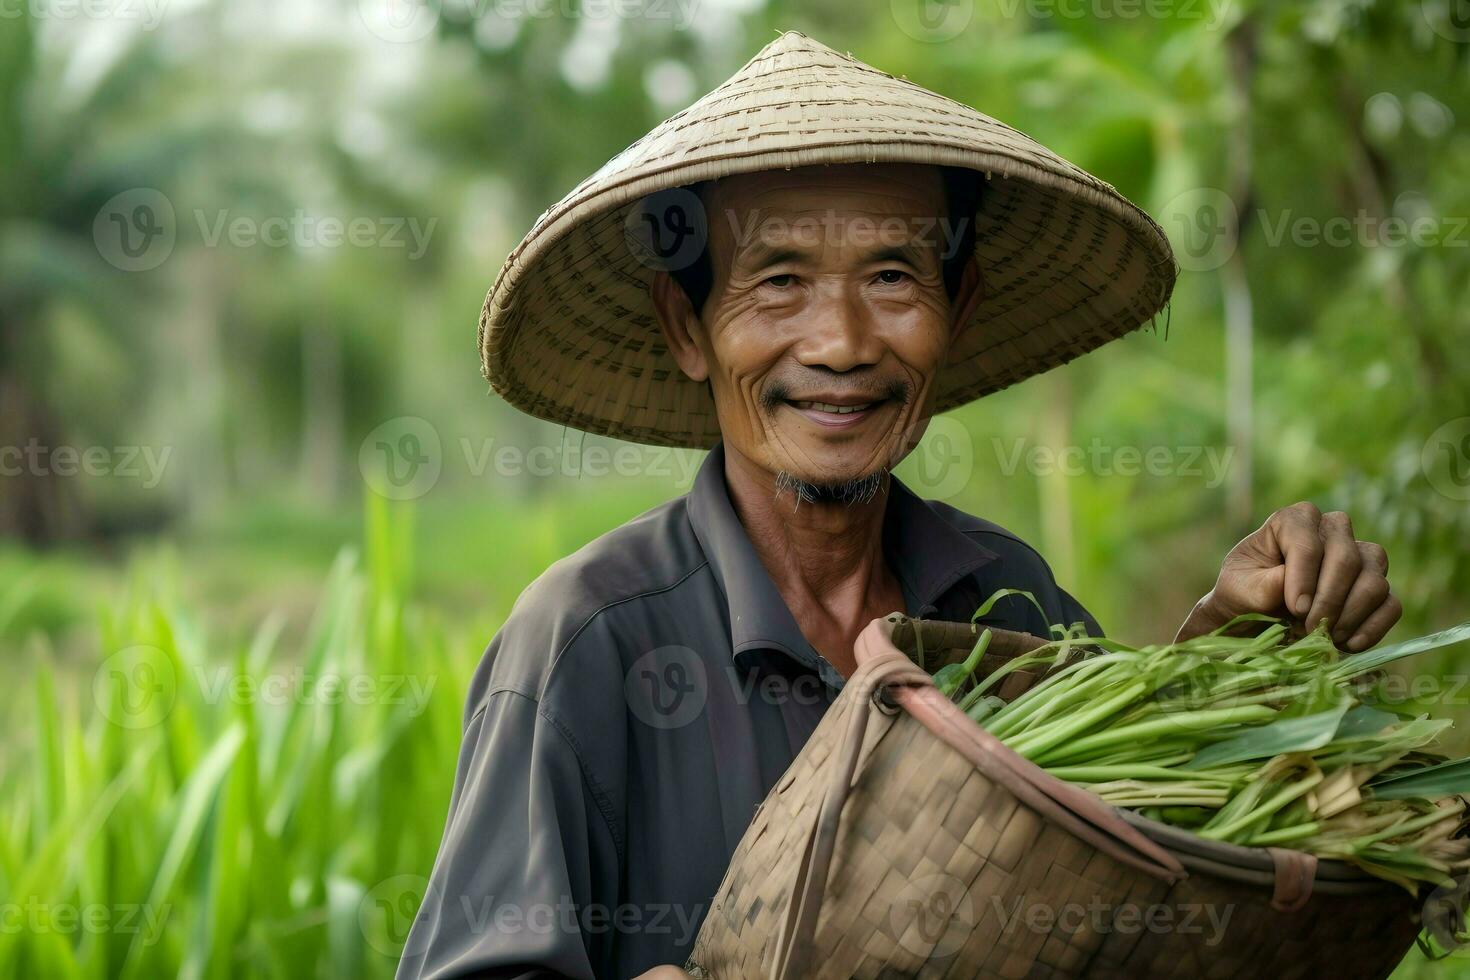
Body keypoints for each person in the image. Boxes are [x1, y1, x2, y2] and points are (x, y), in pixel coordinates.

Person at [397, 32, 1400, 980]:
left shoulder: (1009, 598)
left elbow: (1139, 863)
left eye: (891, 275)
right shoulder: (582, 643)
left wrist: (1235, 647)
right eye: (778, 280)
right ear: (686, 326)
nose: (840, 340)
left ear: (954, 315)